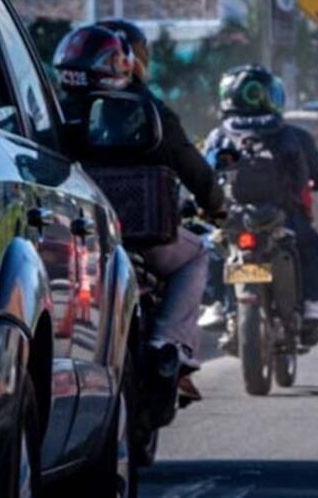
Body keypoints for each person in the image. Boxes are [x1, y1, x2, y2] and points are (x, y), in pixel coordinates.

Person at [55, 21, 224, 402]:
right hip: (142, 234)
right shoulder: (149, 111)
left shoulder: (49, 114)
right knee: (195, 255)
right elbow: (193, 169)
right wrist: (217, 206)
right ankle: (168, 341)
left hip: (73, 238)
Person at [203, 64, 318, 323]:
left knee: (213, 246)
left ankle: (215, 305)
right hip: (284, 215)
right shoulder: (291, 134)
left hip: (232, 218)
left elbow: (201, 175)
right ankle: (313, 302)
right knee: (309, 244)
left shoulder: (218, 136)